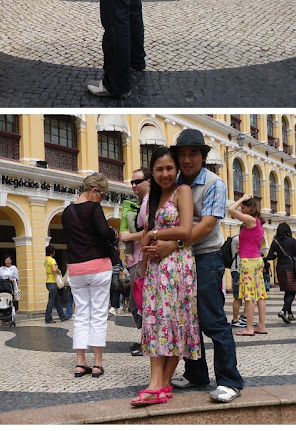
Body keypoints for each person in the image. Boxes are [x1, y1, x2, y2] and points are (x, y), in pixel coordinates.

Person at [145, 129, 244, 403]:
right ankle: (196, 373)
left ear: (203, 156)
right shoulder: (173, 182)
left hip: (206, 257)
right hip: (177, 263)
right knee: (186, 318)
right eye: (183, 154)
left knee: (212, 321)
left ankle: (229, 381)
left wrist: (174, 244)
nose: (187, 159)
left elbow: (207, 224)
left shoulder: (214, 183)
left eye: (193, 153)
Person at [131, 146, 200, 406]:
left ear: (177, 169)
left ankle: (159, 384)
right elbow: (148, 230)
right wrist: (146, 263)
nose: (165, 173)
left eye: (169, 168)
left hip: (178, 266)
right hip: (157, 269)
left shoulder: (183, 191)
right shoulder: (155, 197)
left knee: (174, 322)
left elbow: (184, 229)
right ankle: (159, 384)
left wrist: (153, 235)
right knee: (156, 323)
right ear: (152, 173)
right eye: (159, 169)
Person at [62, 173, 118, 377]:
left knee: (81, 316)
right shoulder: (94, 208)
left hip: (76, 269)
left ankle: (80, 363)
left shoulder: (67, 211)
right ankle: (97, 363)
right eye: (102, 195)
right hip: (97, 267)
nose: (101, 199)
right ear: (94, 191)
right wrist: (114, 233)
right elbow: (104, 233)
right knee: (99, 315)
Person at [119, 167, 150, 356]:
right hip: (137, 260)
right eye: (132, 182)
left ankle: (146, 340)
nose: (133, 185)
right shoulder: (143, 202)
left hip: (141, 260)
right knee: (137, 303)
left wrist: (129, 235)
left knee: (139, 303)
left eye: (137, 181)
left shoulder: (147, 203)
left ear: (149, 181)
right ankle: (145, 339)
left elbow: (150, 231)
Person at [228, 194, 267, 335]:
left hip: (248, 261)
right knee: (260, 295)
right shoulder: (257, 223)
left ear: (250, 208)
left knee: (249, 296)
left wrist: (241, 198)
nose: (242, 209)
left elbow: (231, 210)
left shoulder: (250, 220)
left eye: (243, 207)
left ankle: (249, 327)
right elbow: (252, 242)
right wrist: (242, 246)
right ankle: (261, 325)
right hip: (256, 259)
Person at [266, 222, 296, 324]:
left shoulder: (275, 242)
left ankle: (289, 314)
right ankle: (283, 311)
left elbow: (270, 256)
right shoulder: (292, 241)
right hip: (290, 268)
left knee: (287, 291)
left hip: (280, 268)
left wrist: (277, 256)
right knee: (292, 291)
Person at [43, 244, 69, 324]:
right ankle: (48, 318)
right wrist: (59, 271)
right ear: (52, 252)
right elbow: (54, 269)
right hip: (53, 282)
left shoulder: (45, 260)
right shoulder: (52, 260)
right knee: (51, 300)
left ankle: (62, 316)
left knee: (57, 300)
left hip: (48, 282)